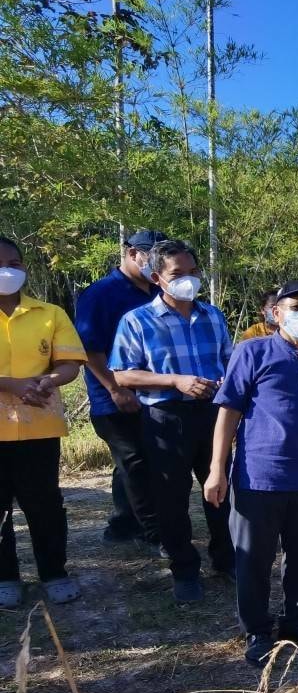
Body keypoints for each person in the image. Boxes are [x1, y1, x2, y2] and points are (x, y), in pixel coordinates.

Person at [205, 279, 298, 666]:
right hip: (258, 476)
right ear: (275, 312)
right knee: (253, 559)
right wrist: (217, 469)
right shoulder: (253, 351)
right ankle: (257, 631)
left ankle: (297, 623)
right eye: (296, 307)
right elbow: (228, 410)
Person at [109, 239, 234, 603]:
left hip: (212, 414)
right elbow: (122, 375)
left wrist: (227, 382)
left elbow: (229, 362)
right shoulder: (138, 321)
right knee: (171, 497)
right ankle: (184, 569)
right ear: (157, 278)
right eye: (178, 274)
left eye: (193, 272)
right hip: (166, 418)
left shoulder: (212, 315)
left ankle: (226, 560)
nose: (189, 280)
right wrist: (175, 380)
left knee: (220, 489)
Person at [0, 236, 88, 609]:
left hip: (40, 426)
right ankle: (5, 578)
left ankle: (54, 572)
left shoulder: (50, 313)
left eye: (15, 263)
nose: (8, 271)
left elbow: (69, 362)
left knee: (45, 505)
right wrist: (11, 385)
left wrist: (48, 380)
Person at [74, 229, 165, 550]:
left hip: (153, 395)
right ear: (130, 253)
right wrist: (115, 390)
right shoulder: (101, 294)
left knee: (133, 463)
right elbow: (88, 348)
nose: (155, 263)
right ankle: (153, 534)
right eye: (150, 256)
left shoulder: (157, 291)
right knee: (136, 462)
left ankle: (123, 524)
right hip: (113, 399)